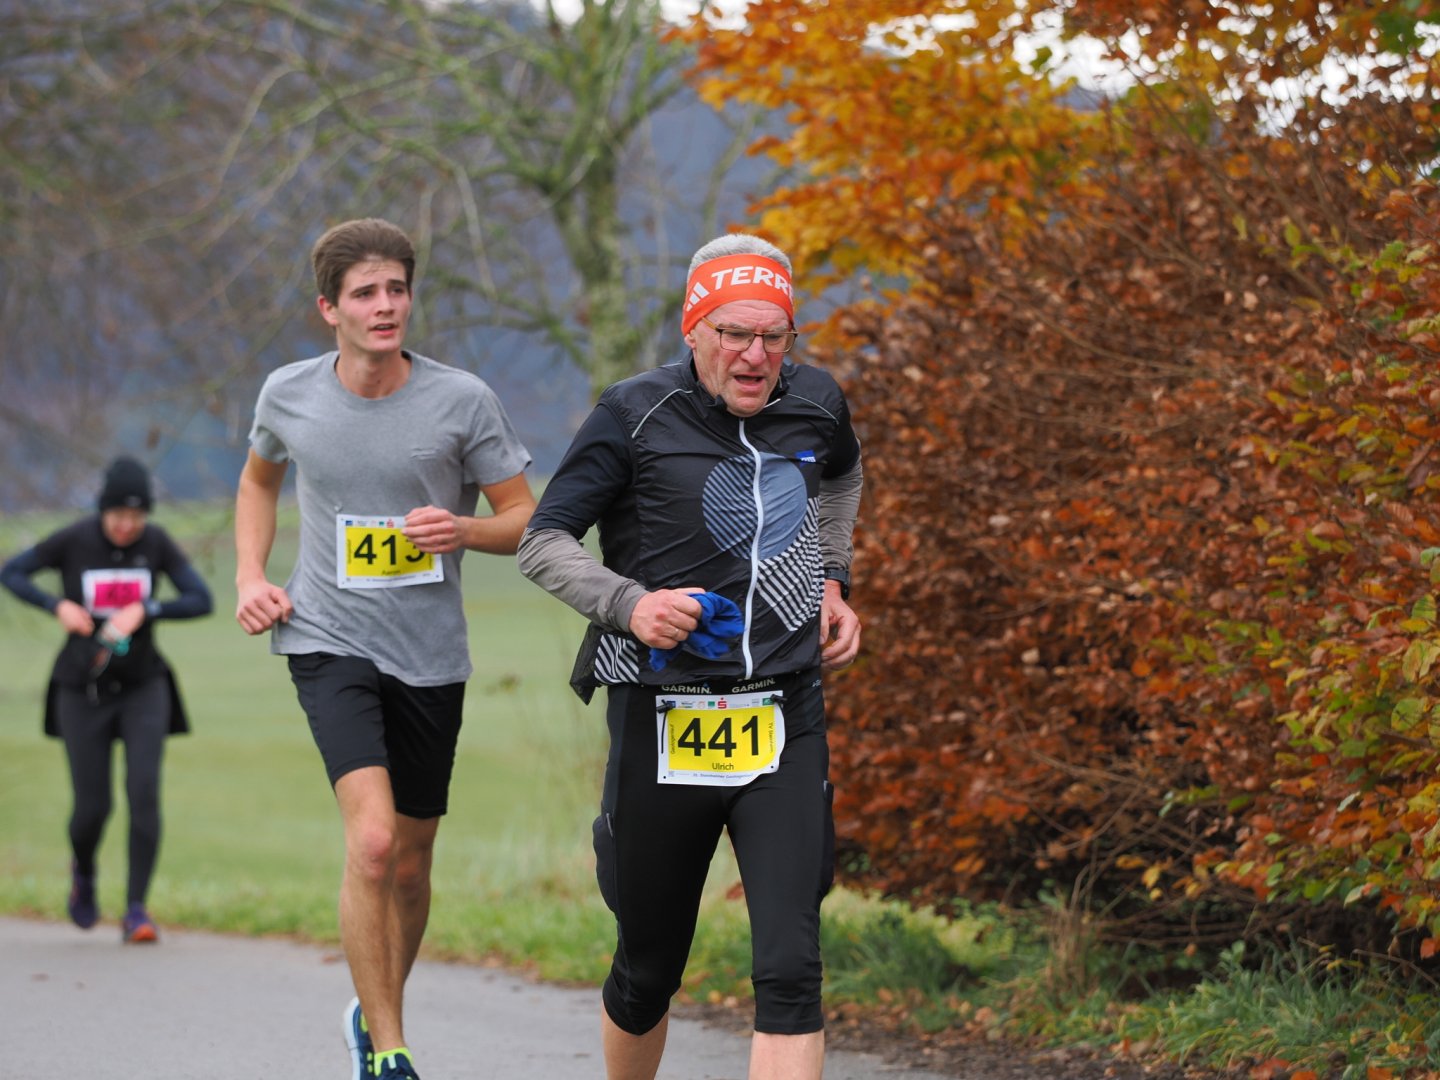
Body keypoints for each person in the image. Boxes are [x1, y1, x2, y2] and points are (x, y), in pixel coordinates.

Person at [517, 232, 863, 1080]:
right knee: (648, 971)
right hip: (663, 716)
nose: (755, 356)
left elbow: (842, 477)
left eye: (773, 336)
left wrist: (831, 578)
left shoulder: (817, 402)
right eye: (734, 334)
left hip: (784, 713)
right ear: (694, 330)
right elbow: (543, 541)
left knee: (791, 971)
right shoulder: (633, 414)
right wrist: (630, 605)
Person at [233, 217, 535, 1080]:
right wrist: (252, 576)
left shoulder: (461, 401)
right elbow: (257, 482)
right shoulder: (288, 394)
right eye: (365, 292)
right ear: (329, 309)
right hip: (327, 636)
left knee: (409, 862)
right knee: (371, 843)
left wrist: (464, 530)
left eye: (397, 289)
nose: (385, 305)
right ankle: (390, 1051)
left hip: (430, 653)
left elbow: (524, 519)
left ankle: (373, 1011)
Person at [0, 455, 213, 944]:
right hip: (82, 689)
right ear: (103, 510)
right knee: (92, 806)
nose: (126, 525)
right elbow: (11, 573)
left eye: (136, 516)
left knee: (144, 793)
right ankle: (85, 870)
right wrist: (56, 605)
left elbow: (201, 599)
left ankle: (137, 909)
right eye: (118, 515)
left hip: (144, 687)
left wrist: (147, 608)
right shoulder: (73, 540)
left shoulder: (156, 543)